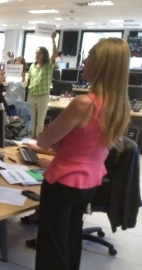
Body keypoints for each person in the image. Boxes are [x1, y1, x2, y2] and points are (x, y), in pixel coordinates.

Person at [34, 38, 131, 270]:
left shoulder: (83, 104)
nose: (84, 60)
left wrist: (51, 136)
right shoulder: (119, 106)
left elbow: (44, 141)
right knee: (70, 239)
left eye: (89, 56)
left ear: (101, 65)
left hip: (62, 184)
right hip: (90, 184)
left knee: (52, 248)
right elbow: (90, 144)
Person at [27, 32, 57, 139]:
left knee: (40, 121)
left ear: (44, 54)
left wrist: (53, 40)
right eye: (36, 53)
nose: (36, 55)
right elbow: (28, 80)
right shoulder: (32, 66)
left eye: (39, 53)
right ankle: (31, 138)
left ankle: (38, 140)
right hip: (32, 95)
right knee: (31, 119)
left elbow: (54, 54)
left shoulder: (48, 64)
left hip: (42, 96)